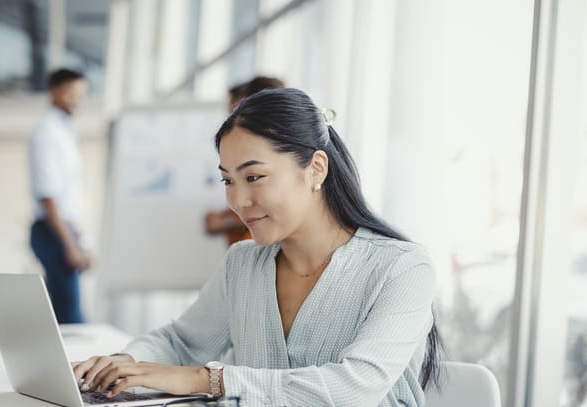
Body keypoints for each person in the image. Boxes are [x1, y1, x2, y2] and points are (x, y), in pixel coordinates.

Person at [73, 88, 441, 406]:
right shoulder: (243, 263)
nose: (238, 200)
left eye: (253, 177)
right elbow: (181, 342)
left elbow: (354, 389)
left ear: (315, 168)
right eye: (227, 180)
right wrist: (120, 363)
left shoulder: (402, 268)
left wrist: (206, 380)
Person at [28, 68, 90, 324]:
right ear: (54, 91)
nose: (77, 100)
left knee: (62, 315)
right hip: (53, 231)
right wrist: (70, 245)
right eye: (72, 93)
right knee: (71, 319)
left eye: (82, 94)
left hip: (63, 230)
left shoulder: (63, 130)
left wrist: (81, 242)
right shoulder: (47, 132)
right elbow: (49, 195)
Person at [205, 76, 285, 246]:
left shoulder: (279, 153)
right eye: (227, 180)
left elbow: (278, 208)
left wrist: (226, 222)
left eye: (234, 112)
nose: (231, 122)